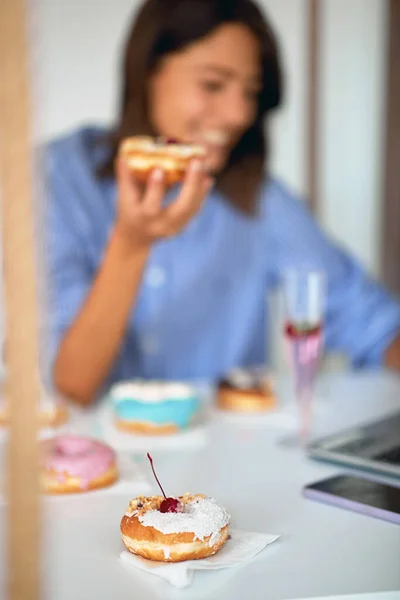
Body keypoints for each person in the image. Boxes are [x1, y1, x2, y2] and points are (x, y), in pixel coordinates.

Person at [45, 0, 400, 406]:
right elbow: (70, 384)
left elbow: (369, 322)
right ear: (147, 73)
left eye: (250, 92)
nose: (239, 114)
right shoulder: (58, 178)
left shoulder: (258, 198)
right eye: (213, 85)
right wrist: (132, 242)